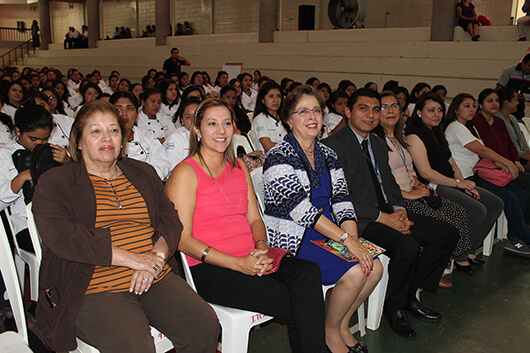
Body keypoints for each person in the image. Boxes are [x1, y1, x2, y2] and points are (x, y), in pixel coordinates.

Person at [32, 100, 219, 352]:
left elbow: (170, 219)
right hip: (93, 285)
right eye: (95, 131)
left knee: (204, 323)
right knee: (136, 347)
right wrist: (132, 260)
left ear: (123, 139)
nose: (106, 137)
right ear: (78, 141)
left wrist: (155, 257)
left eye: (113, 130)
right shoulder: (57, 182)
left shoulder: (142, 173)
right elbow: (61, 235)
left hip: (153, 276)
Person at [166, 98, 329, 353]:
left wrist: (262, 247)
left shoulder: (239, 166)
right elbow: (182, 239)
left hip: (250, 255)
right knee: (296, 302)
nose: (221, 131)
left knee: (308, 273)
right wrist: (238, 264)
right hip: (210, 267)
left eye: (227, 123)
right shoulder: (185, 173)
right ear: (197, 131)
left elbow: (254, 219)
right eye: (212, 124)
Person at [323, 88, 459, 339]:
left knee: (447, 234)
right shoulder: (332, 146)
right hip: (357, 222)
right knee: (407, 247)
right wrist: (383, 218)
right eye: (363, 108)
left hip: (389, 212)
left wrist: (399, 212)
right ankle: (395, 307)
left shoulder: (376, 142)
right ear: (347, 111)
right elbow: (340, 197)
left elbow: (391, 185)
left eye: (376, 109)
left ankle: (405, 295)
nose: (371, 115)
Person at [263, 86, 382, 353]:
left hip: (329, 231)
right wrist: (347, 241)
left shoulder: (328, 154)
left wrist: (354, 239)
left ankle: (339, 323)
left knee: (374, 268)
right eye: (302, 111)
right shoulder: (278, 157)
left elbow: (342, 200)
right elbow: (301, 211)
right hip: (296, 237)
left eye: (316, 110)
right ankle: (330, 333)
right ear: (288, 119)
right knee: (354, 272)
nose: (312, 117)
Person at [373, 92, 470, 288]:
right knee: (445, 225)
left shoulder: (398, 138)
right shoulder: (375, 141)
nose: (391, 111)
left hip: (413, 192)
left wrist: (418, 184)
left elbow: (409, 170)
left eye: (394, 106)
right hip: (397, 200)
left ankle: (435, 268)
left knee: (458, 212)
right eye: (384, 107)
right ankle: (426, 275)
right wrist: (407, 194)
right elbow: (378, 181)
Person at [406, 92, 503, 273]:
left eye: (440, 110)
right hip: (434, 186)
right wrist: (458, 184)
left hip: (451, 181)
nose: (437, 114)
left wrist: (463, 182)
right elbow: (427, 173)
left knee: (495, 203)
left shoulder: (437, 131)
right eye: (431, 110)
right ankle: (459, 255)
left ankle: (470, 250)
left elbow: (451, 162)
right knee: (476, 210)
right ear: (419, 112)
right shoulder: (414, 135)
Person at [444, 93, 530, 257]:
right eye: (466, 106)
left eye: (473, 106)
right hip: (465, 177)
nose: (471, 110)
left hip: (479, 172)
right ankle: (518, 238)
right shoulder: (456, 127)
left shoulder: (470, 127)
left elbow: (480, 153)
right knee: (509, 198)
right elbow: (481, 149)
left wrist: (498, 162)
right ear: (455, 110)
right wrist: (508, 163)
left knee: (519, 192)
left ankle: (516, 235)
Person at [0, 104, 63, 255]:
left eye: (45, 139)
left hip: (57, 217)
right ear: (18, 131)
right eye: (33, 139)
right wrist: (21, 177)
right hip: (25, 224)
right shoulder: (4, 155)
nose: (39, 144)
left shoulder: (53, 151)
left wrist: (67, 163)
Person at [110, 91, 170, 180]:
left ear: (137, 114)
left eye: (130, 109)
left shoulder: (147, 136)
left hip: (146, 183)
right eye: (118, 109)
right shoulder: (105, 139)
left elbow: (162, 164)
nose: (124, 113)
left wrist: (142, 179)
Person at [164, 97, 200, 173]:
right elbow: (173, 169)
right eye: (188, 117)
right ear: (182, 120)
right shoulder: (175, 138)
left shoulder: (211, 135)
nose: (193, 120)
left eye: (197, 115)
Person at [496, 87, 530, 165]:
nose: (518, 103)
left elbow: (523, 142)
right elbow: (509, 147)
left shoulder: (512, 118)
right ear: (507, 102)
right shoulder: (498, 120)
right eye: (516, 100)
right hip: (511, 159)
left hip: (521, 156)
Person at [250, 81, 287, 153]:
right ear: (263, 100)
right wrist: (289, 147)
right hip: (268, 160)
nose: (276, 100)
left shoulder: (283, 118)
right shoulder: (260, 119)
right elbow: (268, 146)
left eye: (278, 96)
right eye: (271, 96)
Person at [496, 53, 530, 119]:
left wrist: (524, 97)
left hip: (520, 108)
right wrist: (511, 96)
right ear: (523, 63)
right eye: (529, 66)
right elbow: (499, 89)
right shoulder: (509, 72)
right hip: (505, 107)